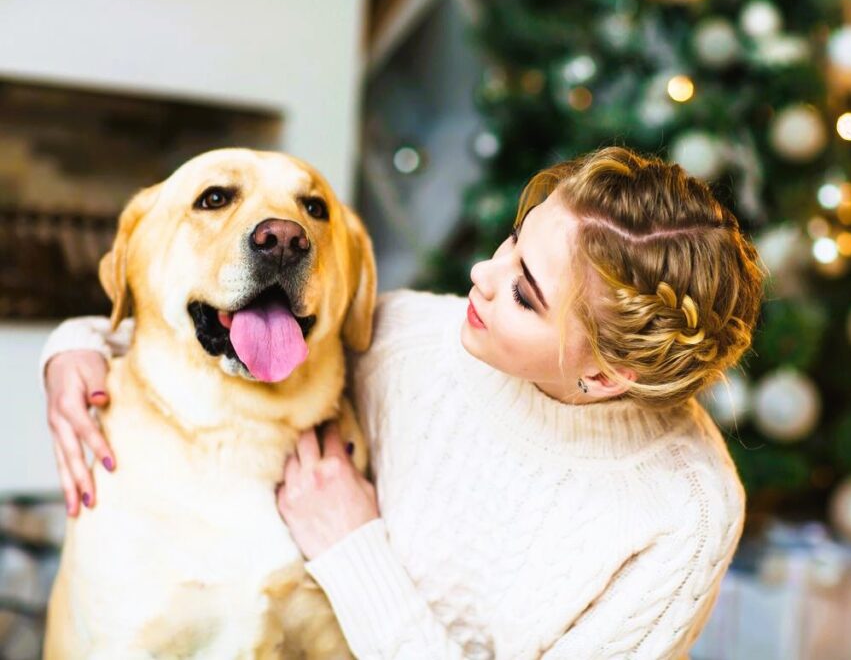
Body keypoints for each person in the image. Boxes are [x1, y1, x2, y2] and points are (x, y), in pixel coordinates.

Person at [41, 146, 764, 658]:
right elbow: (215, 314)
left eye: (524, 292)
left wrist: (355, 550)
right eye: (513, 241)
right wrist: (74, 346)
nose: (481, 273)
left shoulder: (682, 515)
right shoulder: (415, 338)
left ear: (605, 376)